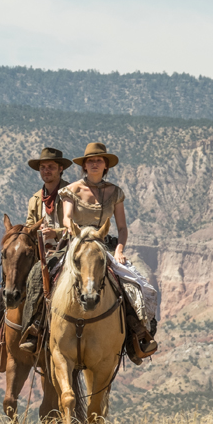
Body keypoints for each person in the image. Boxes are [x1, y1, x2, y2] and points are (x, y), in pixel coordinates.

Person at [58, 142, 158, 363]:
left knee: (136, 285)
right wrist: (76, 234)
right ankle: (35, 328)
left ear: (105, 166)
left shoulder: (115, 192)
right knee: (40, 275)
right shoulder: (71, 190)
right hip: (76, 243)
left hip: (106, 247)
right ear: (84, 165)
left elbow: (122, 228)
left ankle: (138, 336)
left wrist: (120, 250)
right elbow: (67, 218)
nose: (94, 163)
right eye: (90, 160)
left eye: (99, 160)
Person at [0, 147, 71, 364]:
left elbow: (76, 225)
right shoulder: (35, 199)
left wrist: (55, 233)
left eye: (51, 167)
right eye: (43, 167)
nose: (46, 170)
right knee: (7, 288)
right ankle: (0, 342)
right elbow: (30, 227)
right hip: (42, 253)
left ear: (60, 169)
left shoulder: (71, 193)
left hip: (67, 249)